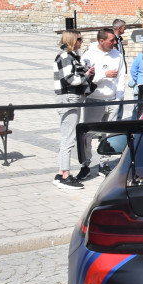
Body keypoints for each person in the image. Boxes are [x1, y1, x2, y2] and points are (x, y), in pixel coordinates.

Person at [80, 28, 126, 179]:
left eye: (115, 40)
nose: (114, 42)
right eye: (111, 40)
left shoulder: (117, 55)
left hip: (112, 99)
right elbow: (85, 78)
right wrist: (103, 75)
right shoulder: (89, 55)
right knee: (88, 133)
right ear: (101, 41)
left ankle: (104, 164)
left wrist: (118, 98)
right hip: (95, 99)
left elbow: (121, 78)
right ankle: (85, 164)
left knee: (109, 134)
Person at [53, 31, 95, 190]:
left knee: (67, 137)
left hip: (73, 99)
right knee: (68, 138)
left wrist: (86, 73)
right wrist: (86, 75)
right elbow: (70, 79)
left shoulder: (71, 56)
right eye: (79, 39)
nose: (81, 42)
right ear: (71, 40)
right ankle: (65, 176)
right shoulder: (65, 57)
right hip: (69, 98)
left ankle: (60, 173)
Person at [111, 19, 129, 119]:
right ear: (119, 28)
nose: (124, 29)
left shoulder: (119, 40)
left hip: (120, 73)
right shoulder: (112, 40)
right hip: (113, 74)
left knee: (120, 95)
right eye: (123, 27)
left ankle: (118, 119)